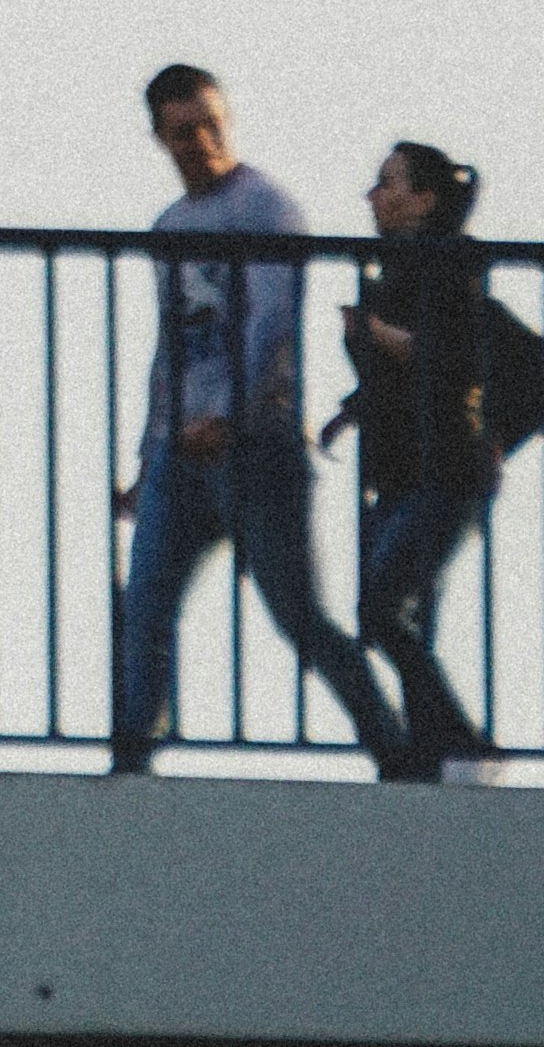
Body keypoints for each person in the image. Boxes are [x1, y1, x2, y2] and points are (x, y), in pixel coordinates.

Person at [105, 63, 394, 773]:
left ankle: (392, 742)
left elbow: (272, 324)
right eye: (182, 131)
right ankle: (131, 757)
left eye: (210, 123)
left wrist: (228, 417)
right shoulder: (171, 226)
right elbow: (169, 350)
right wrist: (149, 457)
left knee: (297, 616)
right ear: (158, 137)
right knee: (143, 607)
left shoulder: (265, 208)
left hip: (254, 448)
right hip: (182, 452)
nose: (200, 141)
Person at [332, 138, 502, 782]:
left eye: (387, 183)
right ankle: (431, 757)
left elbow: (453, 357)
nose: (373, 196)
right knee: (394, 614)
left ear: (424, 199)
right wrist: (354, 399)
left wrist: (376, 336)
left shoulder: (451, 263)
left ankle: (460, 744)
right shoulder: (393, 269)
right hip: (402, 472)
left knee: (381, 610)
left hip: (447, 468)